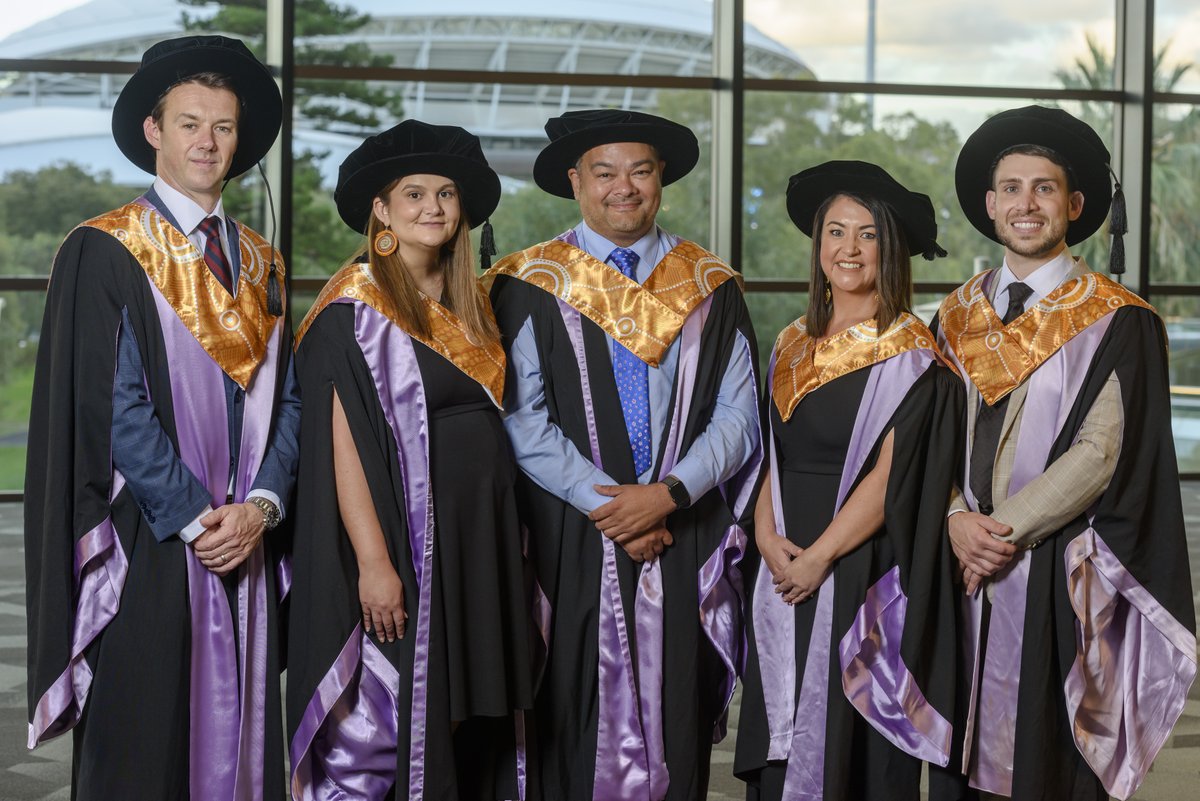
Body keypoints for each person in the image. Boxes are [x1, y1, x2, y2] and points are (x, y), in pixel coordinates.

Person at [24, 35, 298, 798]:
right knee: (140, 732)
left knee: (244, 734)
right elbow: (112, 406)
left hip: (246, 532)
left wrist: (262, 507)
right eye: (189, 123)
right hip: (151, 535)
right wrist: (197, 519)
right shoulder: (106, 249)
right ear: (154, 130)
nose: (207, 142)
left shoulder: (262, 261)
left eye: (222, 126)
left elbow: (291, 399)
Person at [485, 108, 761, 801]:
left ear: (659, 177)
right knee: (566, 711)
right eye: (604, 172)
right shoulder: (530, 281)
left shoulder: (710, 284)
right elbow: (522, 420)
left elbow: (739, 414)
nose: (623, 187)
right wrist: (613, 506)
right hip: (570, 538)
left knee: (677, 712)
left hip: (682, 530)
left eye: (639, 170)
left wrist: (666, 495)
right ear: (576, 181)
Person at [935, 105, 1196, 801]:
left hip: (1055, 568)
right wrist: (956, 518)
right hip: (958, 562)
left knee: (1043, 759)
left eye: (1044, 188)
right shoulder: (954, 314)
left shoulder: (1116, 317)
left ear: (1074, 205)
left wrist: (999, 533)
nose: (1027, 203)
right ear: (990, 204)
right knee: (957, 750)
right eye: (1012, 188)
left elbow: (1101, 451)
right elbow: (930, 436)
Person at [287, 120, 536, 801]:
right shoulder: (355, 308)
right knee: (398, 707)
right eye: (415, 193)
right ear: (381, 208)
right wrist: (374, 562)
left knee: (461, 714)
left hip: (478, 537)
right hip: (406, 539)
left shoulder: (475, 304)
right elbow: (341, 447)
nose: (433, 208)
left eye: (447, 193)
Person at [732, 161, 963, 801]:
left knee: (848, 734)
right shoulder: (790, 343)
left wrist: (820, 558)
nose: (849, 249)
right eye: (835, 232)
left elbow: (894, 476)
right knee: (780, 721)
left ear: (890, 248)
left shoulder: (911, 354)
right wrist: (766, 536)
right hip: (783, 559)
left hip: (859, 568)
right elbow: (769, 452)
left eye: (866, 235)